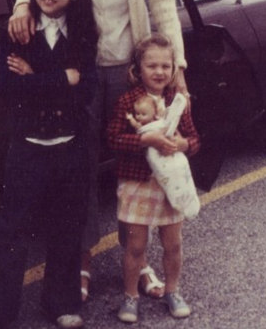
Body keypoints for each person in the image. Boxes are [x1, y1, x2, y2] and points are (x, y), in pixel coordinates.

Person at [8, 0, 189, 302]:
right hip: (79, 71)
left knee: (141, 167)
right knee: (80, 169)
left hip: (129, 73)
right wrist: (23, 6)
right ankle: (80, 263)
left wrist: (178, 68)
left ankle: (141, 261)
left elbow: (162, 3)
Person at [0, 0, 98, 329]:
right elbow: (12, 88)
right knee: (11, 229)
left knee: (66, 226)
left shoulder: (84, 32)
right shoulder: (16, 31)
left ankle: (61, 302)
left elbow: (87, 90)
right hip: (28, 148)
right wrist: (63, 78)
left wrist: (39, 76)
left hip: (70, 147)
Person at [107, 33, 201, 323]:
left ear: (173, 68)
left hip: (171, 185)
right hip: (138, 184)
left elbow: (195, 139)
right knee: (136, 246)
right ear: (138, 69)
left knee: (173, 243)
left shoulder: (178, 101)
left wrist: (183, 144)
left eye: (165, 66)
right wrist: (148, 141)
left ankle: (172, 290)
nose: (159, 72)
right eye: (152, 66)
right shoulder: (127, 101)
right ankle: (130, 296)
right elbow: (113, 140)